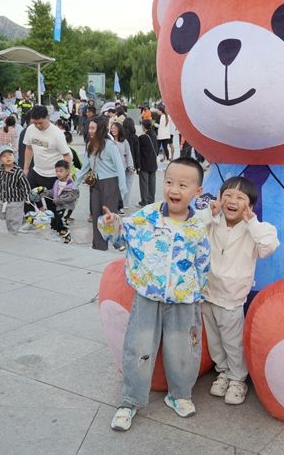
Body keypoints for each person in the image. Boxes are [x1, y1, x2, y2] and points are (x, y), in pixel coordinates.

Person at [98, 157, 211, 432]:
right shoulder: (148, 215)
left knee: (183, 348)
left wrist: (198, 292)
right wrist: (112, 223)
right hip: (148, 296)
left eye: (183, 185)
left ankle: (179, 394)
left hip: (183, 299)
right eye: (169, 182)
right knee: (139, 346)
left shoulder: (198, 227)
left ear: (197, 192)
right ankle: (130, 400)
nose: (174, 189)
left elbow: (203, 261)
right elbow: (122, 237)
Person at [199, 176, 279, 405]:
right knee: (215, 340)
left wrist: (252, 222)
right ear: (219, 198)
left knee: (233, 342)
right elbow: (190, 230)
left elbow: (269, 247)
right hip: (207, 292)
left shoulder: (255, 230)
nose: (232, 200)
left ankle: (237, 379)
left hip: (232, 298)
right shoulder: (211, 222)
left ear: (250, 205)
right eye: (227, 195)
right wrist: (210, 213)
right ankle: (223, 372)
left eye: (240, 197)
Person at [75, 116, 127, 250]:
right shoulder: (90, 145)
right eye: (89, 128)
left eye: (93, 128)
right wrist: (75, 184)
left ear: (100, 129)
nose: (90, 131)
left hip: (110, 183)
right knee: (96, 215)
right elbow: (86, 166)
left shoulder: (110, 146)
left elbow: (120, 167)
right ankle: (98, 246)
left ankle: (118, 241)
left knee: (109, 215)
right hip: (96, 183)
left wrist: (122, 189)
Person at [22, 105, 72, 208]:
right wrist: (26, 169)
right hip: (36, 171)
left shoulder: (57, 134)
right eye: (35, 123)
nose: (38, 126)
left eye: (40, 123)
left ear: (48, 118)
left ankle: (52, 216)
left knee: (53, 207)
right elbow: (29, 149)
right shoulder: (30, 129)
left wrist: (67, 175)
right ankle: (40, 212)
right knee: (29, 199)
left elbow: (66, 156)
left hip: (52, 175)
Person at [0, 146, 30, 234]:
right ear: (0, 160)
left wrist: (26, 197)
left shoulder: (18, 172)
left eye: (10, 155)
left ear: (14, 156)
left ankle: (13, 233)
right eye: (4, 156)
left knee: (13, 221)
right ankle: (17, 217)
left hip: (16, 200)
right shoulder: (0, 169)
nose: (8, 157)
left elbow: (25, 185)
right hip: (3, 199)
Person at [110, 121, 135, 213]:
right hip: (110, 168)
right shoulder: (109, 141)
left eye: (115, 128)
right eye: (112, 128)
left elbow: (128, 155)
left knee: (121, 187)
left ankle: (119, 207)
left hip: (122, 168)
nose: (113, 130)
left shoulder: (124, 141)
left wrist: (130, 166)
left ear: (119, 129)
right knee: (112, 188)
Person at [137, 119, 159, 206]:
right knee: (152, 183)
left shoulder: (142, 137)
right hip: (153, 163)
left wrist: (138, 164)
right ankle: (151, 200)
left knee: (144, 183)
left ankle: (144, 201)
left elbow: (139, 152)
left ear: (143, 126)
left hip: (144, 163)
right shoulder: (154, 135)